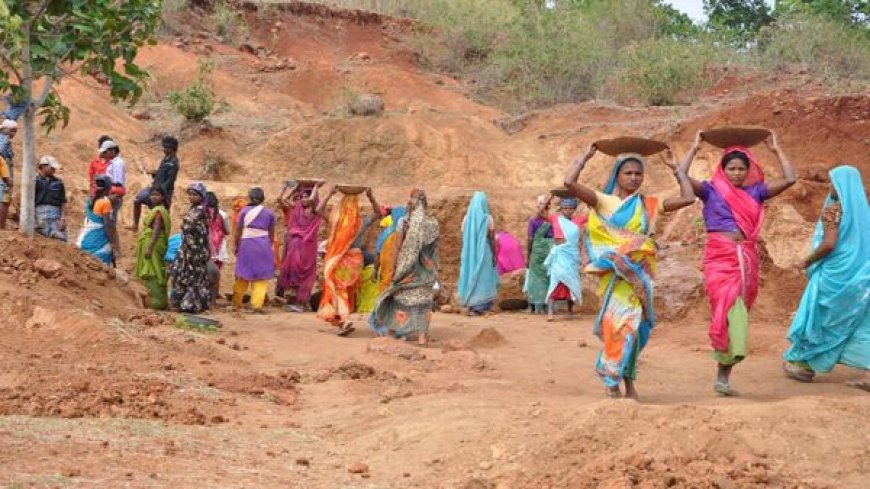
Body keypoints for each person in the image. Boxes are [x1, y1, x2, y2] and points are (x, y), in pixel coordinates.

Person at [565, 144, 695, 399]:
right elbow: (569, 182)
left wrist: (677, 170)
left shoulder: (649, 204)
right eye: (628, 173)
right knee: (618, 327)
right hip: (616, 275)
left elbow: (689, 198)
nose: (634, 178)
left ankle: (629, 381)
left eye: (638, 173)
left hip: (640, 275)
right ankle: (612, 378)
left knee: (635, 331)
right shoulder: (604, 201)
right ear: (618, 175)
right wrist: (585, 156)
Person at [678, 131, 795, 396]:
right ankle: (722, 370)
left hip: (747, 259)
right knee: (724, 309)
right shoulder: (709, 190)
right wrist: (694, 148)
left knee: (738, 315)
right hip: (719, 258)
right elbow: (682, 176)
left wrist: (776, 149)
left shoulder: (756, 192)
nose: (737, 173)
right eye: (732, 168)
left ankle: (724, 375)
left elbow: (790, 179)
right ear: (723, 169)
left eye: (742, 168)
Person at [782, 165, 869, 390]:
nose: (829, 187)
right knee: (859, 322)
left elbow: (829, 243)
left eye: (833, 182)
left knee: (820, 317)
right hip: (860, 276)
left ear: (841, 186)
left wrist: (807, 261)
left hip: (834, 274)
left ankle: (803, 365)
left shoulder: (833, 210)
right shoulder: (863, 212)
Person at [370, 188, 439, 345]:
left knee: (399, 299)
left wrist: (395, 268)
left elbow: (398, 248)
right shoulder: (432, 223)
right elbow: (435, 249)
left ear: (411, 202)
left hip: (407, 271)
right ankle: (422, 337)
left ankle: (394, 332)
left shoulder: (404, 222)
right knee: (424, 302)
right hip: (426, 272)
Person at [318, 186, 384, 336]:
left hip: (340, 260)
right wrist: (371, 197)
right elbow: (379, 213)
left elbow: (318, 210)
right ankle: (341, 321)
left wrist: (328, 193)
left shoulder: (337, 221)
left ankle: (345, 319)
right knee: (345, 291)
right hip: (356, 261)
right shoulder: (362, 222)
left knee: (339, 290)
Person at [277, 181, 324, 312]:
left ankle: (302, 303)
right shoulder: (297, 207)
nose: (304, 199)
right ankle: (295, 300)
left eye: (306, 197)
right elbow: (283, 199)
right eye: (302, 196)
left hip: (307, 245)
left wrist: (315, 186)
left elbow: (313, 200)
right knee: (294, 272)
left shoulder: (315, 210)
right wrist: (295, 188)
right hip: (295, 245)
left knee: (305, 274)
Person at [232, 187, 277, 313]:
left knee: (243, 273)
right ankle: (256, 305)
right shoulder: (269, 213)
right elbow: (271, 234)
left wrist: (236, 246)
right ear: (263, 198)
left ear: (250, 197)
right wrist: (269, 247)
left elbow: (238, 231)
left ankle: (237, 303)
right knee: (261, 276)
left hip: (246, 244)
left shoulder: (243, 211)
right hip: (263, 244)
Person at [171, 182, 212, 314]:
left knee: (193, 276)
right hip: (187, 249)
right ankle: (184, 303)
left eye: (194, 194)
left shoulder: (199, 211)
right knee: (185, 275)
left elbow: (196, 231)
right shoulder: (194, 209)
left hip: (195, 251)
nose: (191, 197)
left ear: (201, 196)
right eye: (189, 194)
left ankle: (190, 305)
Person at [543, 197, 585, 321]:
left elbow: (594, 213)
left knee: (570, 284)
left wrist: (587, 201)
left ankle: (570, 311)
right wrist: (549, 198)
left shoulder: (579, 220)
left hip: (572, 256)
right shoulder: (555, 218)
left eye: (571, 208)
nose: (568, 211)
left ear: (574, 209)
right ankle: (550, 312)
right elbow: (541, 212)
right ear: (561, 209)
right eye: (565, 208)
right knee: (555, 282)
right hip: (560, 255)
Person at [458, 191, 498, 315]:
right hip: (484, 253)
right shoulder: (488, 219)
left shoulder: (466, 219)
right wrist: (494, 254)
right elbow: (491, 238)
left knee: (471, 274)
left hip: (469, 253)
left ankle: (471, 305)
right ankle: (482, 306)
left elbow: (465, 237)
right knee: (484, 278)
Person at [130, 136, 180, 231]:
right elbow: (161, 173)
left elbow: (169, 181)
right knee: (137, 200)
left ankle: (157, 234)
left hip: (162, 193)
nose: (163, 149)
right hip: (154, 188)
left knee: (157, 214)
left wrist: (159, 194)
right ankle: (135, 225)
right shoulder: (166, 158)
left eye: (165, 147)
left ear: (171, 148)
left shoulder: (174, 163)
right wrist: (152, 172)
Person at [134, 187, 171, 310]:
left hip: (153, 244)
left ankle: (156, 301)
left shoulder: (159, 211)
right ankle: (153, 300)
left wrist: (150, 247)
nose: (154, 197)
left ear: (163, 197)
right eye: (152, 195)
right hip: (151, 242)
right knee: (153, 269)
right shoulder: (157, 210)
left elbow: (156, 230)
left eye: (157, 195)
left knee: (153, 271)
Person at [76, 175, 121, 265]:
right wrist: (113, 243)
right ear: (109, 188)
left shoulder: (90, 200)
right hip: (99, 239)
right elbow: (108, 225)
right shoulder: (105, 203)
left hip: (86, 237)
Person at [523, 195, 555, 314]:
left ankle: (536, 305)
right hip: (547, 251)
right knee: (546, 277)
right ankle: (545, 305)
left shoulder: (535, 221)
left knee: (537, 278)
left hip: (540, 252)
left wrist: (529, 255)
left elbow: (530, 239)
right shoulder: (551, 220)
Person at [375, 206, 407, 293]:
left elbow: (378, 254)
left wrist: (375, 270)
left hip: (386, 277)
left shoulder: (385, 235)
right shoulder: (406, 235)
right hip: (399, 277)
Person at [205, 191, 230, 305]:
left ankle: (203, 296)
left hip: (204, 244)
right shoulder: (222, 214)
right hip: (218, 245)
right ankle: (213, 300)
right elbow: (228, 231)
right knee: (216, 273)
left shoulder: (201, 212)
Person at [34, 156, 67, 241]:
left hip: (56, 215)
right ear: (43, 166)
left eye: (54, 168)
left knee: (61, 240)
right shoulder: (35, 181)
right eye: (51, 167)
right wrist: (34, 218)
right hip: (40, 215)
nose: (53, 170)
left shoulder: (58, 182)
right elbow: (30, 201)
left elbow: (63, 202)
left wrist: (62, 219)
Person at [0, 119, 17, 230]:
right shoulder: (4, 139)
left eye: (15, 131)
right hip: (3, 174)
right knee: (4, 200)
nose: (14, 133)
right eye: (12, 130)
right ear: (5, 130)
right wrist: (6, 178)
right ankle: (1, 227)